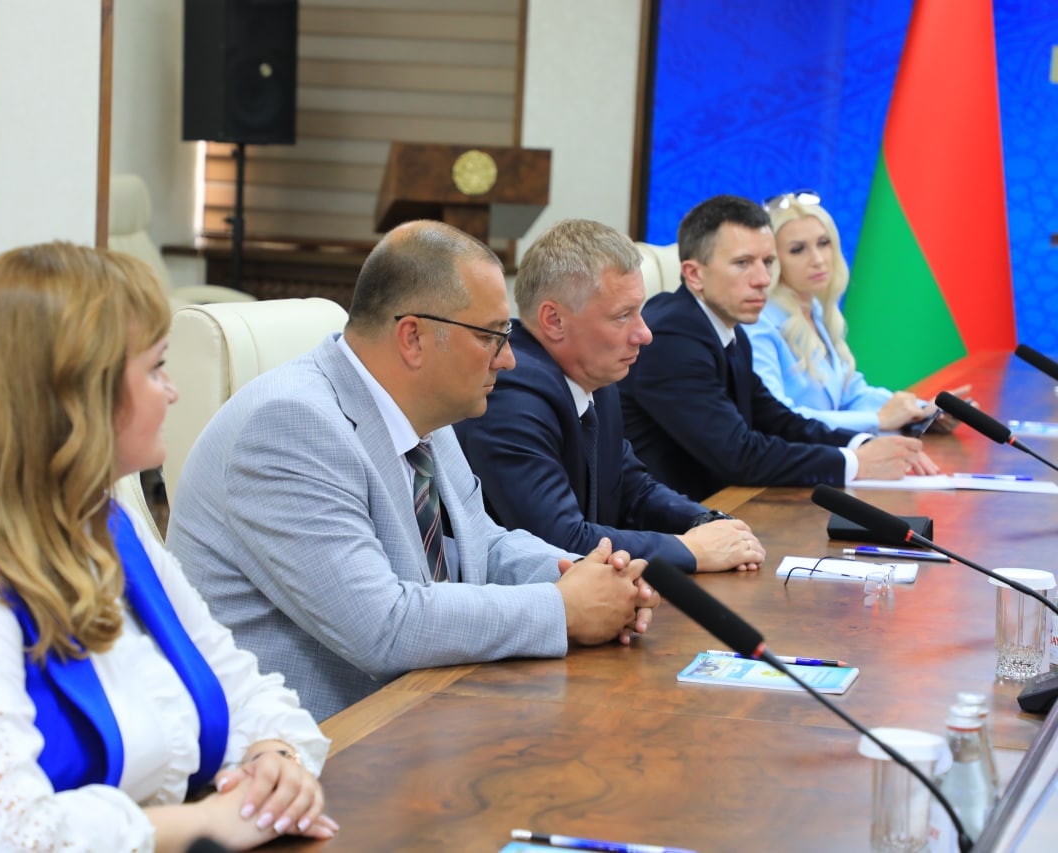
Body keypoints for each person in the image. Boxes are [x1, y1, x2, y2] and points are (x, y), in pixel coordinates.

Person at [0, 243, 336, 851]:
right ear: (78, 399)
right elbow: (11, 839)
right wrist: (210, 823)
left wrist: (275, 759)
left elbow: (244, 688)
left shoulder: (101, 527)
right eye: (155, 368)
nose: (173, 391)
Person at [167, 220, 660, 722]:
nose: (509, 359)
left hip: (418, 711)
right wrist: (563, 609)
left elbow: (484, 545)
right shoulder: (290, 425)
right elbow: (380, 626)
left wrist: (589, 576)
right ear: (413, 337)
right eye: (491, 336)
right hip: (315, 742)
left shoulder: (422, 410)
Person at [455, 218, 764, 573]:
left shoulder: (595, 378)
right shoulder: (511, 395)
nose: (644, 334)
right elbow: (560, 541)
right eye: (623, 316)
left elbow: (633, 488)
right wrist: (691, 549)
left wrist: (710, 523)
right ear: (554, 320)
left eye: (639, 311)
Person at [617, 195, 937, 502]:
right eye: (743, 263)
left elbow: (780, 421)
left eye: (768, 262)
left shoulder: (728, 331)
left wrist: (861, 444)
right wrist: (854, 463)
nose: (762, 279)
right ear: (694, 274)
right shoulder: (672, 338)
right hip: (666, 526)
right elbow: (738, 455)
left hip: (719, 510)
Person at [748, 193, 965, 433]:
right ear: (771, 260)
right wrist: (879, 420)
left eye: (824, 243)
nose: (818, 260)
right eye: (798, 250)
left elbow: (851, 393)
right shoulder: (758, 322)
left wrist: (922, 411)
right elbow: (777, 417)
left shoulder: (814, 308)